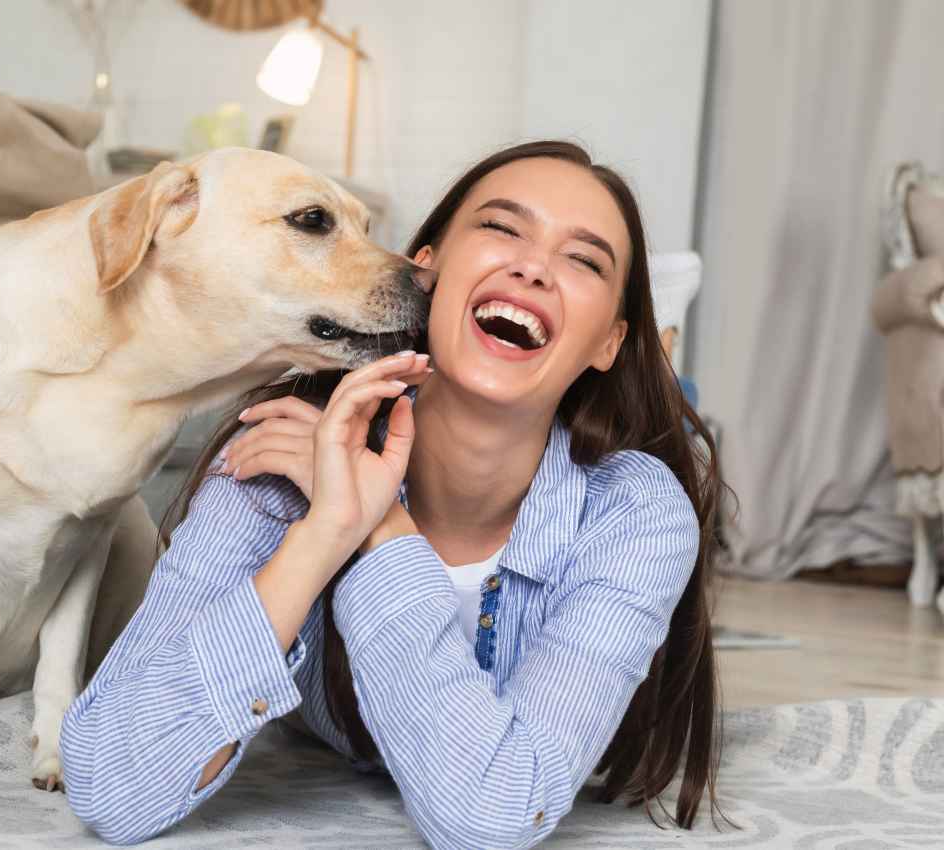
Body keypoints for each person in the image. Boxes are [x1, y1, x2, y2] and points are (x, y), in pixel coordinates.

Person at [58, 140, 725, 848]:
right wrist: (323, 531)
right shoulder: (286, 446)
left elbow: (488, 819)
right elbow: (111, 783)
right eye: (502, 228)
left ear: (608, 343)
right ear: (424, 271)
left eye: (584, 260)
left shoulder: (635, 513)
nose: (533, 266)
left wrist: (379, 527)